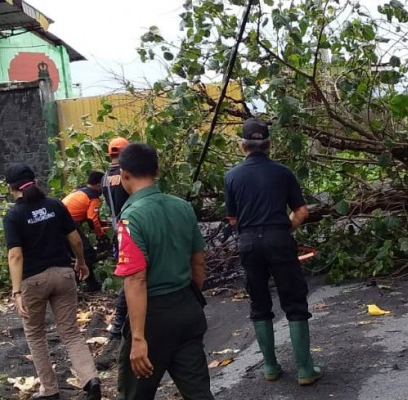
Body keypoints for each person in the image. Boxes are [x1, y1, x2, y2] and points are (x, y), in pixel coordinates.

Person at [223, 118, 322, 385]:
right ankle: (304, 369)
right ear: (269, 145)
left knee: (259, 303)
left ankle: (270, 367)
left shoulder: (231, 176)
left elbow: (232, 219)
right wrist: (283, 229)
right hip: (279, 239)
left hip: (248, 243)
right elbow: (302, 211)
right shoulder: (283, 173)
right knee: (294, 302)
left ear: (242, 146)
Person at [114, 143, 214, 400]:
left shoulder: (131, 218)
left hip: (152, 318)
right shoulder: (182, 207)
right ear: (157, 170)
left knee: (135, 393)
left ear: (124, 174)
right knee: (199, 392)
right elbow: (199, 264)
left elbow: (135, 279)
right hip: (187, 308)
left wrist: (138, 338)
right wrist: (189, 298)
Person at [2, 163, 101, 400]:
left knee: (36, 334)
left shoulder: (13, 216)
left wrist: (16, 292)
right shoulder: (55, 205)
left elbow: (15, 255)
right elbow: (76, 240)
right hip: (63, 274)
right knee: (71, 332)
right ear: (34, 181)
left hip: (33, 281)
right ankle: (90, 378)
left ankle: (50, 389)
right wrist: (81, 262)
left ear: (11, 188)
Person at [95, 137, 130, 370]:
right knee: (133, 277)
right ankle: (119, 324)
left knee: (129, 274)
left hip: (118, 228)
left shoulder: (105, 178)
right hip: (132, 227)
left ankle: (121, 323)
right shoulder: (128, 175)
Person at [62, 170, 107, 292]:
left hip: (59, 221)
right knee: (87, 253)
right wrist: (101, 234)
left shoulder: (79, 190)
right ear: (99, 185)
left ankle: (88, 284)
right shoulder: (93, 197)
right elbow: (92, 218)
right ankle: (85, 284)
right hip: (66, 223)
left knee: (73, 255)